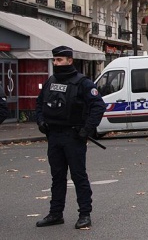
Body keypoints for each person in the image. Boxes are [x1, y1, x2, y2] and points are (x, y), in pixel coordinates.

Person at [35, 46, 106, 229]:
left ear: (69, 60)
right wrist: (41, 122)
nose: (56, 63)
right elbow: (40, 103)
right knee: (57, 176)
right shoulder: (51, 81)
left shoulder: (82, 82)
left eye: (59, 60)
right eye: (54, 60)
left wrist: (87, 130)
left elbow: (98, 106)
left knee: (78, 176)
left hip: (73, 136)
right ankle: (55, 213)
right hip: (54, 135)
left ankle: (84, 214)